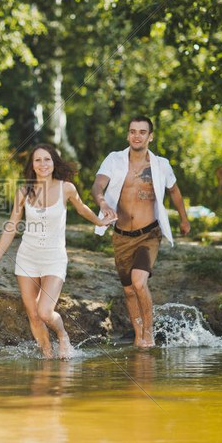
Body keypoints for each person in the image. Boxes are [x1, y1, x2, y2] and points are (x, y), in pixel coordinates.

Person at [0, 144, 112, 359]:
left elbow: (82, 209)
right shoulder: (24, 191)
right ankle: (48, 357)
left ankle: (62, 336)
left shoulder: (66, 188)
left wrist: (100, 221)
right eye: (38, 160)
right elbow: (11, 226)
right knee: (33, 315)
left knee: (44, 311)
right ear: (32, 165)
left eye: (47, 159)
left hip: (54, 258)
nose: (43, 164)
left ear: (54, 163)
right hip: (27, 258)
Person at [92, 116, 190, 348]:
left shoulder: (160, 165)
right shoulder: (114, 160)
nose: (137, 136)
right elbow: (98, 184)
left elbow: (174, 191)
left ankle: (149, 334)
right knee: (128, 290)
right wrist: (103, 203)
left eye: (142, 132)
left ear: (150, 136)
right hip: (121, 235)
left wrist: (184, 219)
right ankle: (139, 337)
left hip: (149, 234)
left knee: (138, 282)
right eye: (133, 131)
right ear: (128, 135)